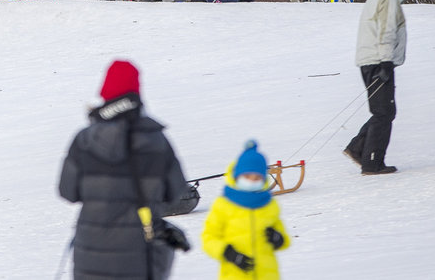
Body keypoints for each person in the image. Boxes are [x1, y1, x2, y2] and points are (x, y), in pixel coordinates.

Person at [59, 60, 189, 279]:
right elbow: (176, 192)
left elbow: (67, 192)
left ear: (105, 92)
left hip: (90, 254)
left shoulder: (84, 140)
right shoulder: (157, 141)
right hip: (139, 254)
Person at [343, 0, 411, 175]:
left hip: (370, 60)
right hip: (377, 62)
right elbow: (386, 32)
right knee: (384, 112)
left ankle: (359, 149)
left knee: (383, 111)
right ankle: (372, 162)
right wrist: (385, 62)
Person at [201, 140, 290, 279]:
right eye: (247, 177)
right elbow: (208, 238)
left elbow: (284, 239)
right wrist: (228, 253)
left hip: (267, 274)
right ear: (237, 176)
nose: (251, 181)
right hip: (235, 274)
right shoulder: (224, 205)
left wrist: (278, 239)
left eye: (257, 178)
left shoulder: (269, 205)